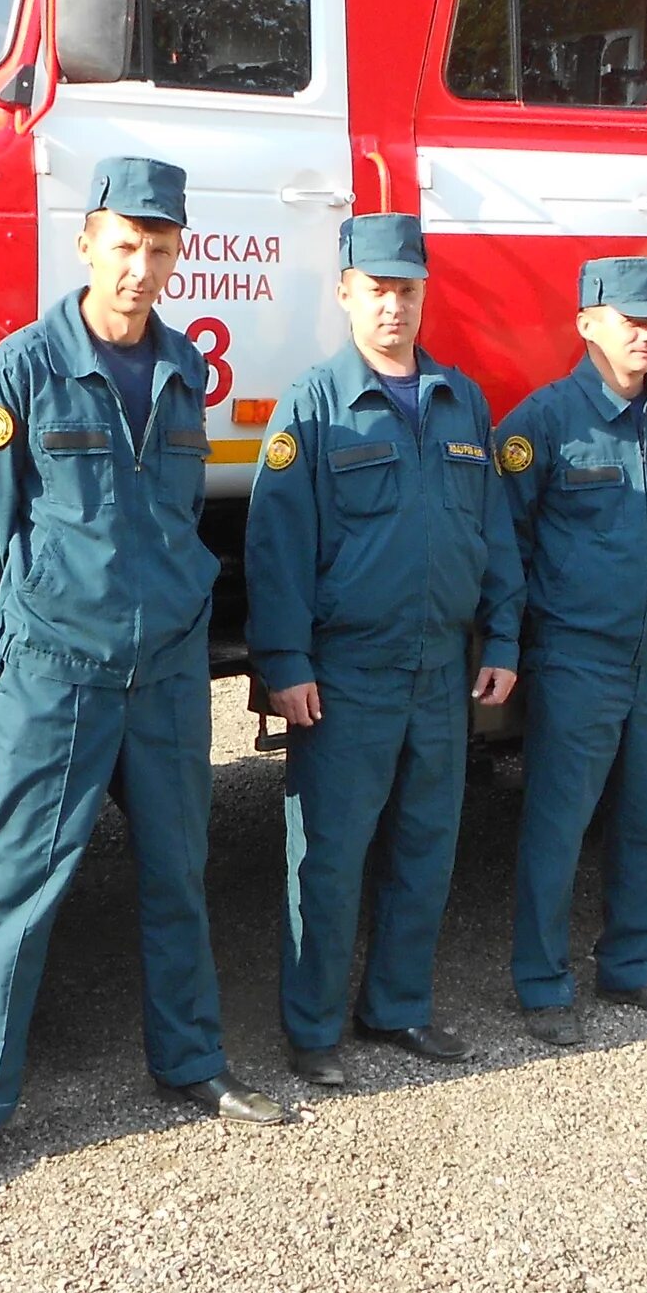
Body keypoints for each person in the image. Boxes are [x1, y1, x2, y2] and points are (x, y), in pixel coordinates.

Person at [0, 156, 285, 1196]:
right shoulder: (18, 373)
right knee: (18, 887)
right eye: (124, 245)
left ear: (180, 256)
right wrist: (49, 605)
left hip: (168, 672)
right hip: (59, 671)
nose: (140, 267)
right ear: (86, 242)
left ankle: (191, 1065)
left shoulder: (184, 370)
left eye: (160, 249)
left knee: (180, 874)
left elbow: (175, 515)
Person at [246, 214, 523, 1088]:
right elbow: (276, 546)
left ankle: (398, 1009)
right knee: (328, 857)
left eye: (407, 289)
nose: (393, 306)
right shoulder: (315, 404)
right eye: (377, 289)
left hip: (440, 668)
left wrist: (503, 635)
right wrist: (284, 664)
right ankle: (315, 1030)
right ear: (345, 293)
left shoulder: (461, 400)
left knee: (426, 846)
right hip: (349, 676)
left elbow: (496, 532)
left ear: (423, 292)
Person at [494, 255, 647, 1045]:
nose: (646, 334)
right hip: (577, 657)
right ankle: (544, 986)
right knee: (558, 824)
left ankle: (632, 968)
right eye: (630, 320)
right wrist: (514, 640)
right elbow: (504, 545)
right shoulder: (542, 424)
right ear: (588, 323)